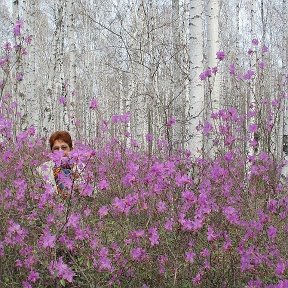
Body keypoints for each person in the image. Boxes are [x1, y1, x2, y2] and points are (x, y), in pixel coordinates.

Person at [37, 131, 78, 199]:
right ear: (52, 152)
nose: (60, 152)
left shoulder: (81, 169)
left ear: (71, 149)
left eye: (64, 148)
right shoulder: (41, 170)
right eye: (56, 149)